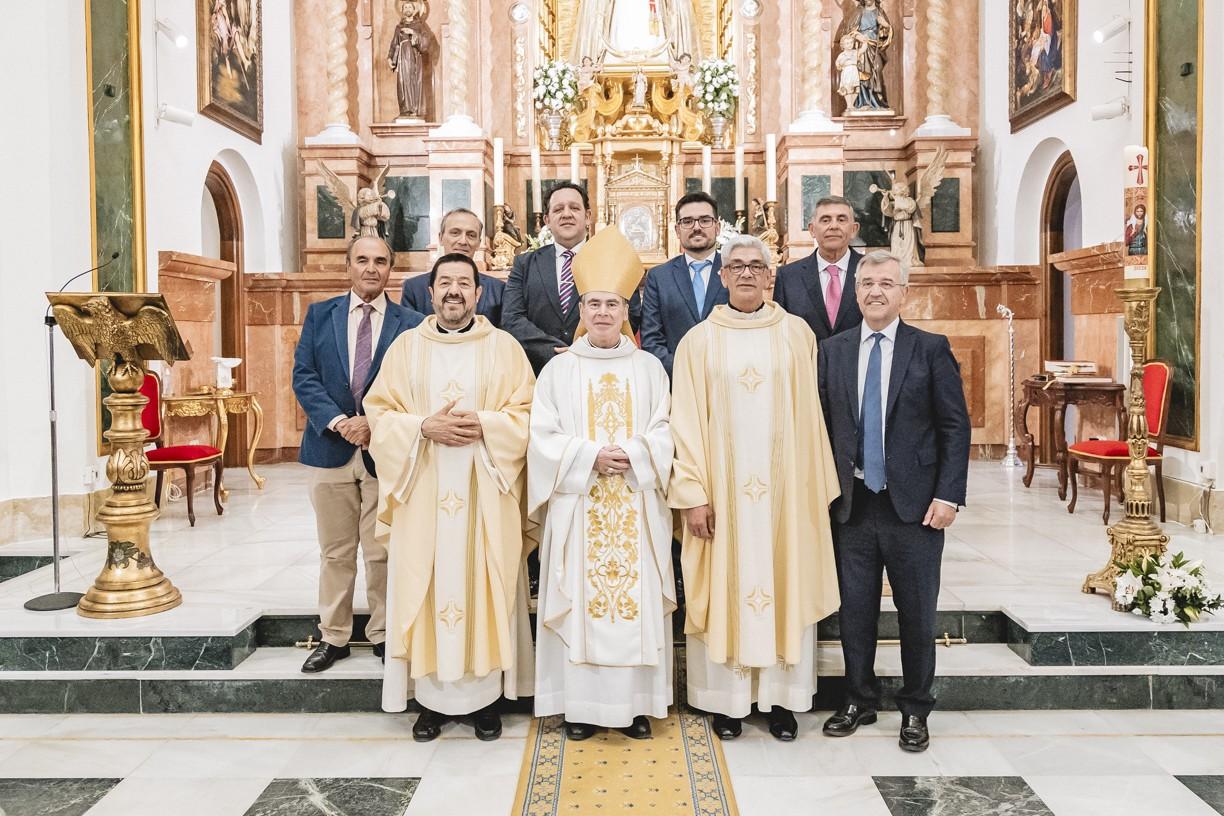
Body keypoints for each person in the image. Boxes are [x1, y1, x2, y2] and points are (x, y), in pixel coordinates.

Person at [669, 234, 841, 742]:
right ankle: (727, 701)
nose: (746, 273)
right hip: (721, 498)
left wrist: (811, 489)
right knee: (726, 585)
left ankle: (782, 701)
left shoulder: (797, 334)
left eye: (756, 266)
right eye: (736, 266)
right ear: (722, 277)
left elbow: (813, 419)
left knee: (783, 580)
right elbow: (684, 424)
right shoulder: (698, 341)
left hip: (784, 498)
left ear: (771, 276)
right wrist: (693, 493)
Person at [364, 253, 535, 742]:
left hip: (487, 494)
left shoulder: (505, 348)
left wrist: (487, 424)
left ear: (480, 294)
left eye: (464, 283)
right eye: (445, 283)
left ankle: (484, 700)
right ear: (430, 291)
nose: (454, 291)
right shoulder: (405, 348)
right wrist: (422, 425)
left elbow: (527, 414)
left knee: (486, 582)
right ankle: (431, 702)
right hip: (424, 495)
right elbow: (378, 413)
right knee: (427, 583)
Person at [816, 250, 970, 753]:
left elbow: (954, 427)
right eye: (866, 283)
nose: (875, 291)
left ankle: (915, 708)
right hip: (853, 504)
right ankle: (858, 699)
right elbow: (821, 427)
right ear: (855, 291)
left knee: (917, 613)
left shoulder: (929, 348)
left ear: (904, 292)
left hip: (916, 507)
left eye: (886, 283)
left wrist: (949, 495)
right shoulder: (833, 350)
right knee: (855, 611)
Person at [529, 226, 676, 741]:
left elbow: (665, 430)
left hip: (635, 505)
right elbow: (540, 436)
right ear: (582, 311)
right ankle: (579, 707)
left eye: (612, 304)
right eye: (593, 304)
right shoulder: (558, 371)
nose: (603, 313)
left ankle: (634, 707)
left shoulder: (651, 367)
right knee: (582, 603)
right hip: (580, 506)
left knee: (633, 602)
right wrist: (590, 456)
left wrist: (634, 455)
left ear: (626, 310)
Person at [292, 236, 425, 674]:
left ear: (392, 269)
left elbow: (413, 385)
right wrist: (339, 421)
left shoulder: (411, 323)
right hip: (330, 446)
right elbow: (304, 376)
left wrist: (374, 424)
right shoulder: (320, 315)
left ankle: (384, 634)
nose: (371, 268)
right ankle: (333, 636)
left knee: (382, 549)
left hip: (382, 450)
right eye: (363, 260)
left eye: (381, 261)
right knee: (336, 551)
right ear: (348, 265)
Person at [503, 182, 642, 374]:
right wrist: (553, 350)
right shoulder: (525, 264)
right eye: (558, 209)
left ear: (587, 216)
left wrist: (586, 348)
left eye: (574, 208)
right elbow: (512, 318)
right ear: (547, 219)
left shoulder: (614, 260)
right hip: (539, 369)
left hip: (600, 367)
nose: (566, 214)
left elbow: (631, 315)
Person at [639, 191, 729, 380]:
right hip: (677, 383)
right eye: (687, 221)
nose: (696, 227)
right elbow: (651, 338)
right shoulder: (659, 277)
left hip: (728, 380)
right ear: (677, 230)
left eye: (705, 220)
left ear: (717, 227)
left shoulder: (735, 271)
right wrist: (683, 372)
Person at [773, 196, 864, 342]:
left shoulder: (873, 271)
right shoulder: (788, 277)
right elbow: (779, 334)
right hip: (807, 363)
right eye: (825, 220)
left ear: (854, 229)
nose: (834, 226)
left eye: (841, 219)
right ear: (812, 229)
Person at [400, 208, 505, 326]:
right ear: (440, 238)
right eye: (455, 233)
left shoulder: (498, 290)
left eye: (471, 235)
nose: (463, 241)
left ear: (479, 242)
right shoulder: (414, 288)